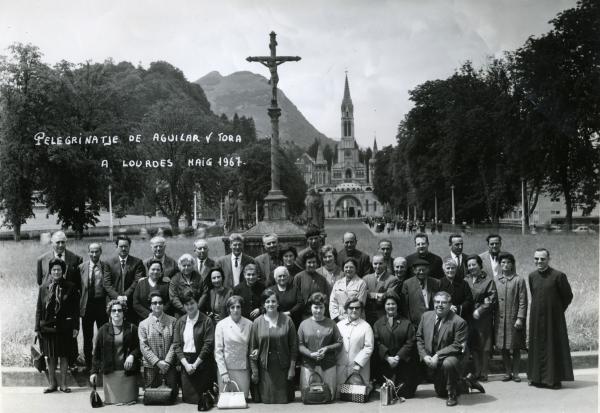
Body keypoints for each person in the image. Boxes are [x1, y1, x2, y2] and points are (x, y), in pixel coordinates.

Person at [527, 248, 574, 389]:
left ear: (548, 259)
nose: (539, 261)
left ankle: (553, 380)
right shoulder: (532, 276)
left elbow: (568, 296)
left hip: (553, 319)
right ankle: (537, 378)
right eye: (536, 259)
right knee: (537, 346)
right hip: (536, 318)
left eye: (542, 259)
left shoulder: (558, 276)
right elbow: (534, 294)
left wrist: (557, 311)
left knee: (553, 346)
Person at [35, 258, 80, 393]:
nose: (56, 272)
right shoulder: (44, 287)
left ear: (63, 271)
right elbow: (39, 308)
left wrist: (76, 327)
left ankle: (64, 384)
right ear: (50, 271)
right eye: (54, 270)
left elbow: (75, 310)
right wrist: (37, 328)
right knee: (51, 356)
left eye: (59, 270)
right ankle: (52, 384)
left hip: (64, 327)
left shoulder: (70, 287)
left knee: (64, 355)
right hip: (48, 327)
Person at [416, 291, 468, 407]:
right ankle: (465, 382)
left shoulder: (459, 322)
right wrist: (424, 356)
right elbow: (419, 338)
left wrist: (437, 355)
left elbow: (457, 345)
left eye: (443, 302)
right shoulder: (426, 316)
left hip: (450, 358)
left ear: (450, 305)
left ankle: (452, 394)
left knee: (448, 363)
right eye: (437, 302)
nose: (439, 305)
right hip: (431, 358)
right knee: (440, 392)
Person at [249, 288, 298, 404]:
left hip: (283, 371)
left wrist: (292, 368)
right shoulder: (257, 322)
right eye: (267, 301)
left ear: (278, 303)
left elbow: (294, 347)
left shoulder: (287, 320)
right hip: (265, 372)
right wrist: (255, 371)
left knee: (284, 403)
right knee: (266, 403)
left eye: (273, 301)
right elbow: (252, 348)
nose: (270, 304)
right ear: (263, 304)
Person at [90, 300, 140, 405]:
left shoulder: (132, 328)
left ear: (123, 312)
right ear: (110, 312)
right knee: (112, 403)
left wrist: (132, 355)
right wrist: (94, 372)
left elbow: (139, 347)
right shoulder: (103, 330)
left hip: (128, 373)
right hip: (110, 373)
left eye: (119, 310)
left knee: (129, 401)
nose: (116, 313)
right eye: (113, 310)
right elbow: (97, 352)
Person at [298, 292, 342, 403]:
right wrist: (310, 353)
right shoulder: (304, 324)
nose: (318, 310)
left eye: (321, 307)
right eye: (315, 307)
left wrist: (327, 348)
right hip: (309, 366)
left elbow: (339, 342)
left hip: (328, 366)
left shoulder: (331, 323)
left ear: (325, 307)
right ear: (310, 307)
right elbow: (299, 345)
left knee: (328, 397)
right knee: (309, 397)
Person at [173, 291, 215, 405]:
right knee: (188, 401)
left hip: (202, 363)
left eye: (192, 303)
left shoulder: (207, 321)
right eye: (186, 304)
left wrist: (195, 365)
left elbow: (208, 345)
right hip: (186, 364)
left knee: (203, 401)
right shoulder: (180, 322)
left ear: (197, 303)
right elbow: (176, 345)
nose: (189, 306)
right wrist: (186, 365)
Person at [372, 292, 418, 397]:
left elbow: (410, 342)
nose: (390, 306)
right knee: (387, 392)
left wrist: (397, 357)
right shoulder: (378, 324)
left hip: (402, 363)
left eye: (393, 304)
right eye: (388, 304)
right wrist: (388, 358)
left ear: (397, 305)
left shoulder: (406, 323)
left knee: (403, 393)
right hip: (385, 364)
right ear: (384, 306)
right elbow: (377, 343)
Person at [494, 252, 527, 382]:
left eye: (508, 262)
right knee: (503, 347)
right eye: (502, 262)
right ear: (500, 264)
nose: (505, 265)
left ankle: (516, 373)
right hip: (500, 319)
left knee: (516, 346)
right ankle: (508, 372)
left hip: (514, 319)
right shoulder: (496, 280)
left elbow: (523, 301)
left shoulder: (519, 280)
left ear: (512, 264)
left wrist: (520, 318)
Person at [138, 291, 178, 398]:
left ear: (164, 305)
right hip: (151, 366)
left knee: (171, 396)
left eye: (160, 302)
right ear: (150, 305)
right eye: (154, 303)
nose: (157, 305)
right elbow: (144, 347)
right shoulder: (143, 324)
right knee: (152, 397)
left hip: (169, 366)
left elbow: (175, 343)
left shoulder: (173, 321)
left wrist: (167, 361)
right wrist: (157, 362)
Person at [465, 254, 497, 382]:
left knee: (484, 345)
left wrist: (480, 310)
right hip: (468, 317)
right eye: (469, 265)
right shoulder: (465, 279)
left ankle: (484, 373)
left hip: (482, 318)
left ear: (480, 265)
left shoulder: (488, 280)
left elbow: (491, 299)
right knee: (473, 345)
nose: (472, 267)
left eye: (474, 264)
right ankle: (476, 371)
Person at [79, 243, 110, 372]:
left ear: (100, 252)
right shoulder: (81, 267)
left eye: (96, 251)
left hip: (101, 305)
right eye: (91, 252)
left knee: (103, 335)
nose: (94, 254)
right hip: (87, 306)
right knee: (88, 337)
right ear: (88, 252)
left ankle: (102, 363)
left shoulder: (105, 267)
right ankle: (88, 364)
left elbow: (108, 286)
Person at [214, 295, 253, 399]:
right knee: (226, 401)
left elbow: (252, 347)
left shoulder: (249, 324)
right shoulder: (221, 325)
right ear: (228, 309)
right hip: (226, 369)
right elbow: (218, 351)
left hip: (243, 369)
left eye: (238, 307)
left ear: (242, 308)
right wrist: (223, 372)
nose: (235, 310)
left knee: (242, 399)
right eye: (232, 307)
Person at [336, 298, 374, 395]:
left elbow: (368, 347)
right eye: (351, 308)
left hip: (358, 369)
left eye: (357, 308)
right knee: (341, 396)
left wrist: (358, 364)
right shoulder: (339, 325)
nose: (354, 310)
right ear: (346, 309)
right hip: (341, 367)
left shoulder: (366, 326)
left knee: (356, 396)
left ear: (361, 310)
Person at [105, 235, 146, 324]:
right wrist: (117, 297)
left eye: (126, 246)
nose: (123, 249)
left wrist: (125, 296)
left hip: (131, 303)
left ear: (129, 247)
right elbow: (107, 284)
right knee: (115, 331)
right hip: (114, 303)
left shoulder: (137, 262)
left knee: (131, 331)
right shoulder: (108, 263)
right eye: (121, 246)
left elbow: (137, 281)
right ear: (116, 247)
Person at [400, 258, 441, 329]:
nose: (421, 272)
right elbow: (405, 306)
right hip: (415, 323)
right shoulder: (407, 284)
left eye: (424, 270)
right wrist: (409, 323)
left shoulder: (436, 282)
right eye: (419, 270)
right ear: (414, 270)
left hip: (433, 321)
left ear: (428, 270)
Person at [294, 251, 330, 319]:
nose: (312, 265)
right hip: (303, 315)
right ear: (305, 264)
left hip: (318, 313)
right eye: (309, 262)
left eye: (314, 262)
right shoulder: (298, 277)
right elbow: (295, 297)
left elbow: (325, 298)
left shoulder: (322, 279)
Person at [329, 257, 367, 322]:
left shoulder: (361, 283)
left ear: (356, 269)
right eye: (346, 267)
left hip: (356, 317)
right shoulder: (337, 283)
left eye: (351, 267)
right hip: (339, 318)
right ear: (343, 268)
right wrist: (338, 316)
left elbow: (360, 303)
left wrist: (349, 317)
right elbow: (332, 302)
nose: (348, 269)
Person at [169, 253, 205, 318]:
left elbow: (204, 293)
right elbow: (173, 297)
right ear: (180, 266)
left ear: (193, 266)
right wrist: (184, 309)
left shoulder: (199, 277)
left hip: (197, 310)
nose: (186, 268)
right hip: (180, 312)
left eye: (189, 265)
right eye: (184, 265)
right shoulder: (175, 279)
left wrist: (197, 307)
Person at [364, 254, 396, 325]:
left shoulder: (392, 279)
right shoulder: (366, 278)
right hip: (367, 314)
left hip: (383, 315)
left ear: (385, 264)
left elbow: (388, 295)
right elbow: (363, 294)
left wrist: (371, 294)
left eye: (380, 263)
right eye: (375, 264)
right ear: (372, 264)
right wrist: (378, 295)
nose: (377, 266)